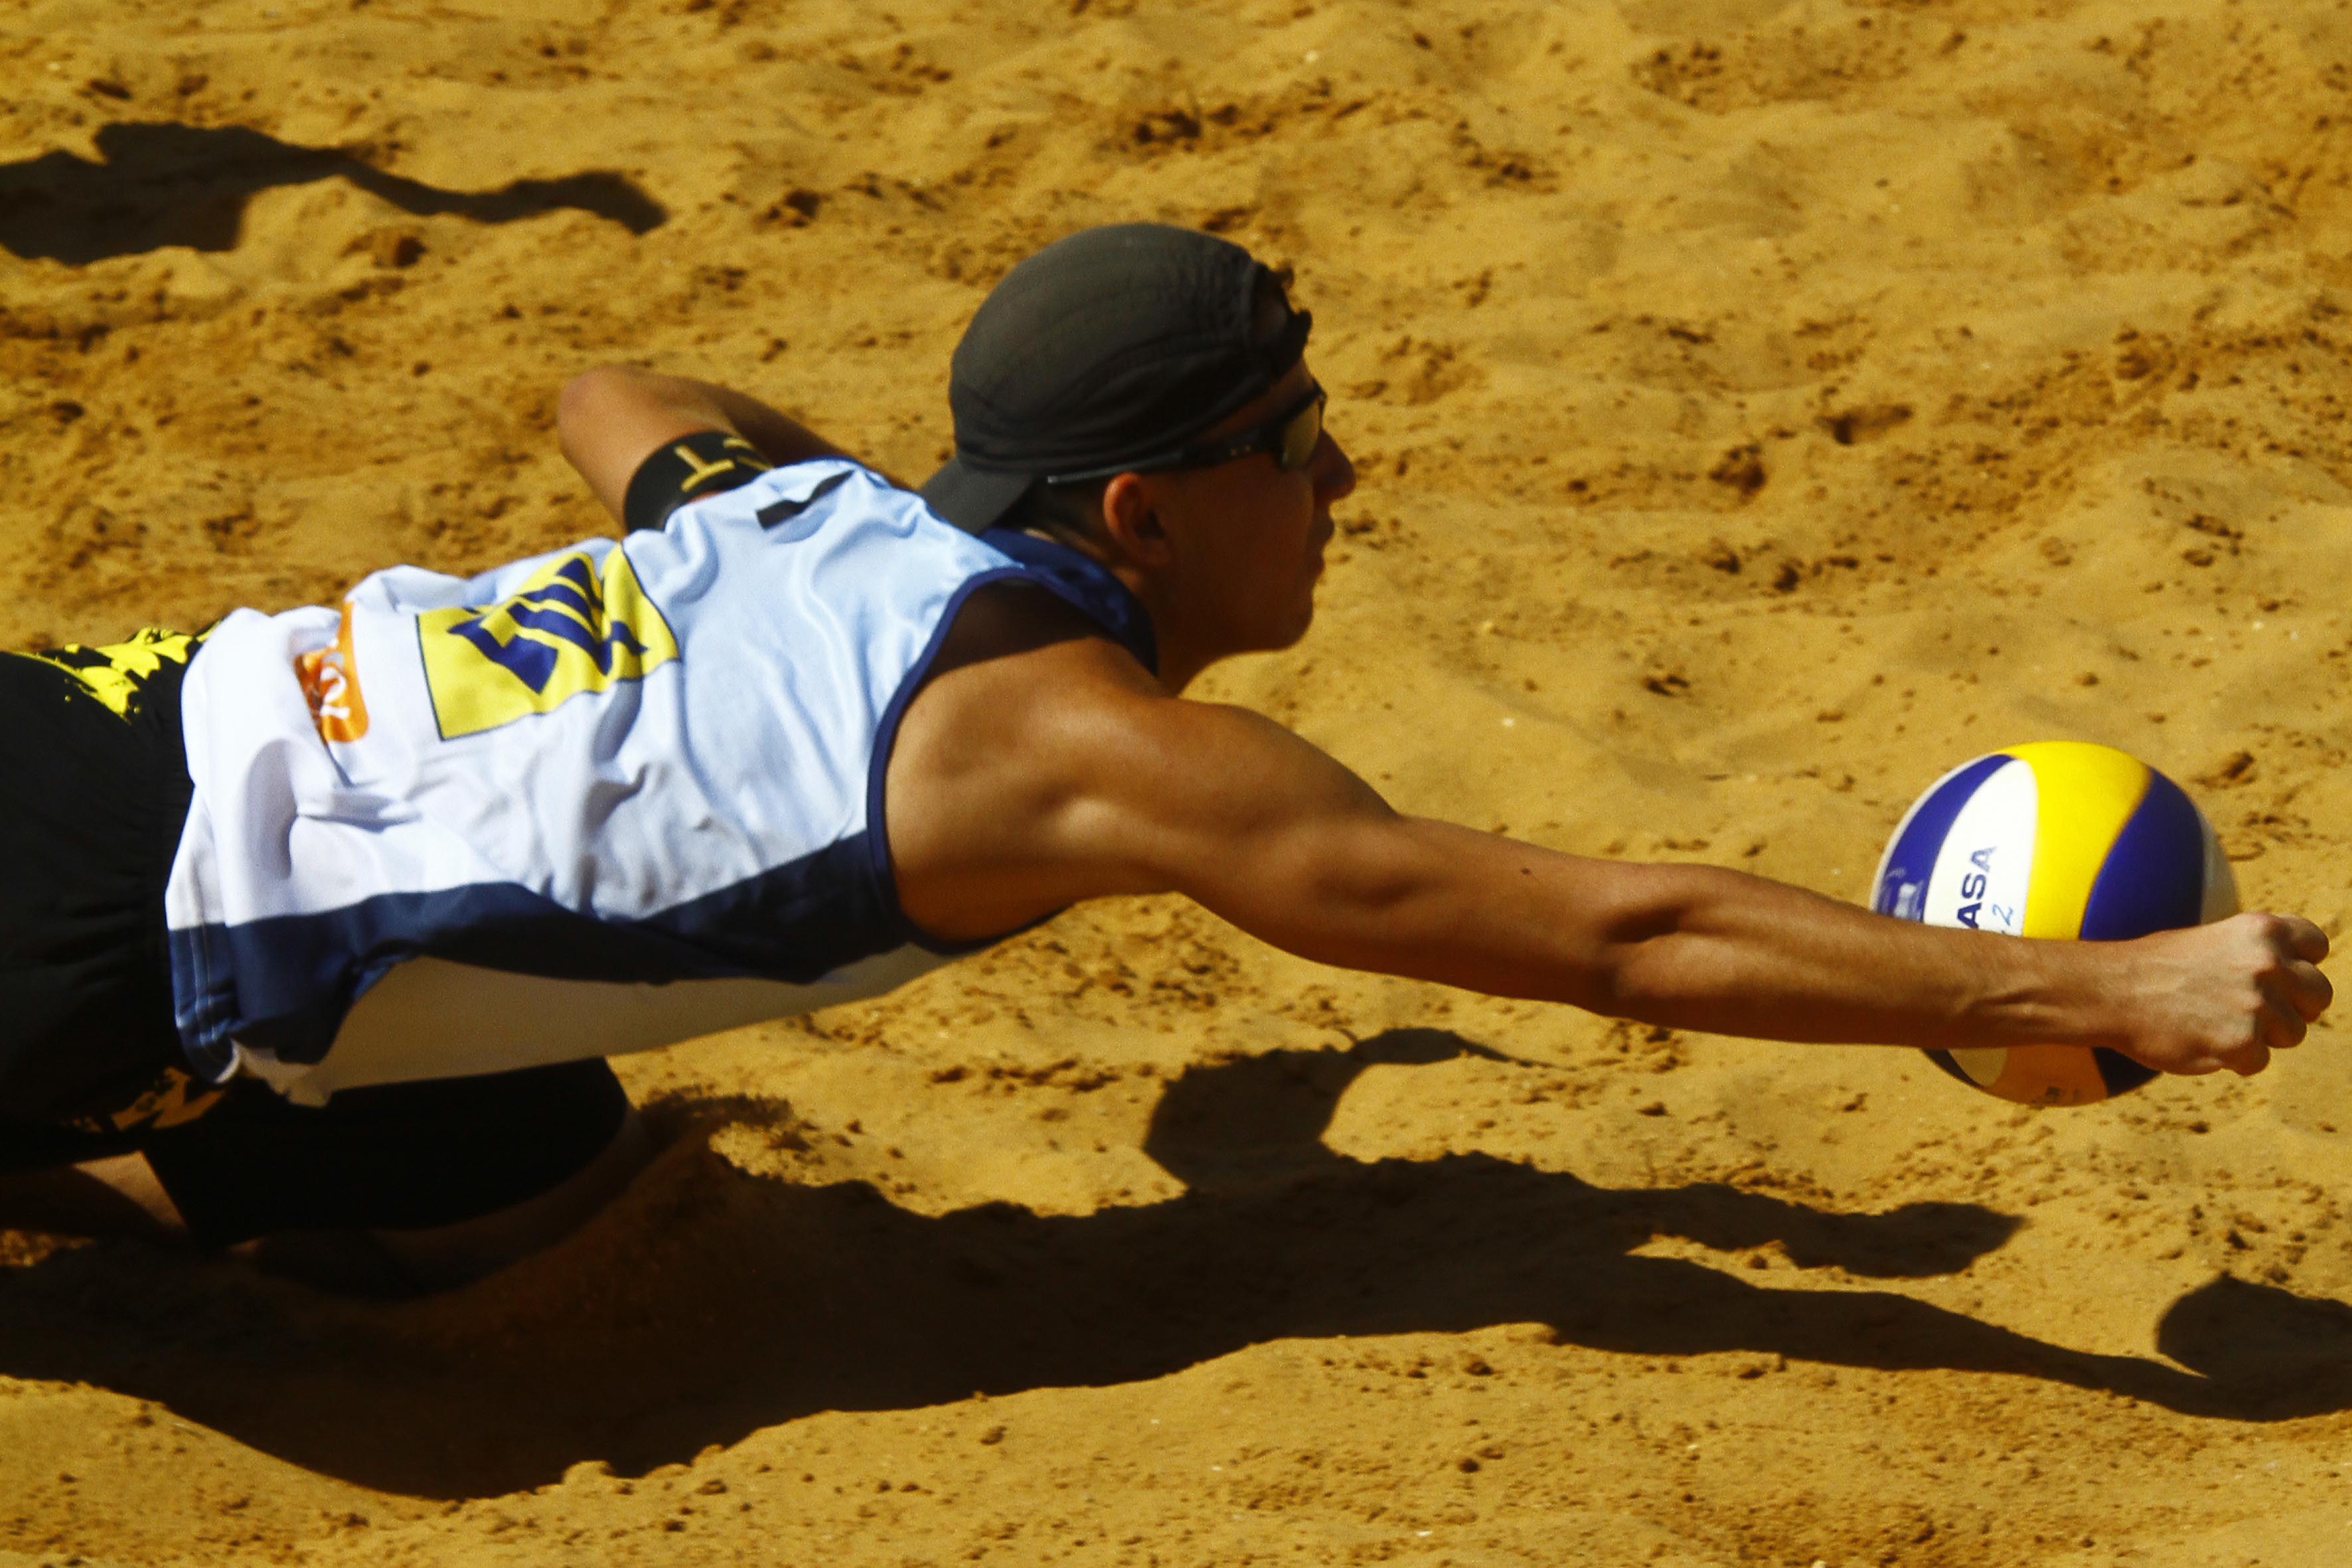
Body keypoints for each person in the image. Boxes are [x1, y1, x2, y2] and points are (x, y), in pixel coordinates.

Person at [0, 223, 2331, 1289]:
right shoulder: (1083, 754)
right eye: (1293, 445)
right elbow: (1619, 932)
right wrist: (2099, 996)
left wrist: (787, 537)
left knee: (537, 1156)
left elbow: (626, 399)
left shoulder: (820, 516)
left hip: (103, 713)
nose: (1344, 477)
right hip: (92, 929)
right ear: (1140, 513)